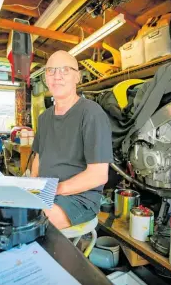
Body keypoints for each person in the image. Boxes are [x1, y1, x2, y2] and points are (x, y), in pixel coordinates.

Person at [31, 50, 113, 229]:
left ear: (78, 77)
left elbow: (98, 175)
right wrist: (32, 186)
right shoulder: (44, 118)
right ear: (46, 77)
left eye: (65, 70)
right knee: (9, 211)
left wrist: (55, 189)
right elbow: (39, 157)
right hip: (47, 191)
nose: (57, 76)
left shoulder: (91, 113)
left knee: (32, 222)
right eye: (51, 71)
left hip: (79, 197)